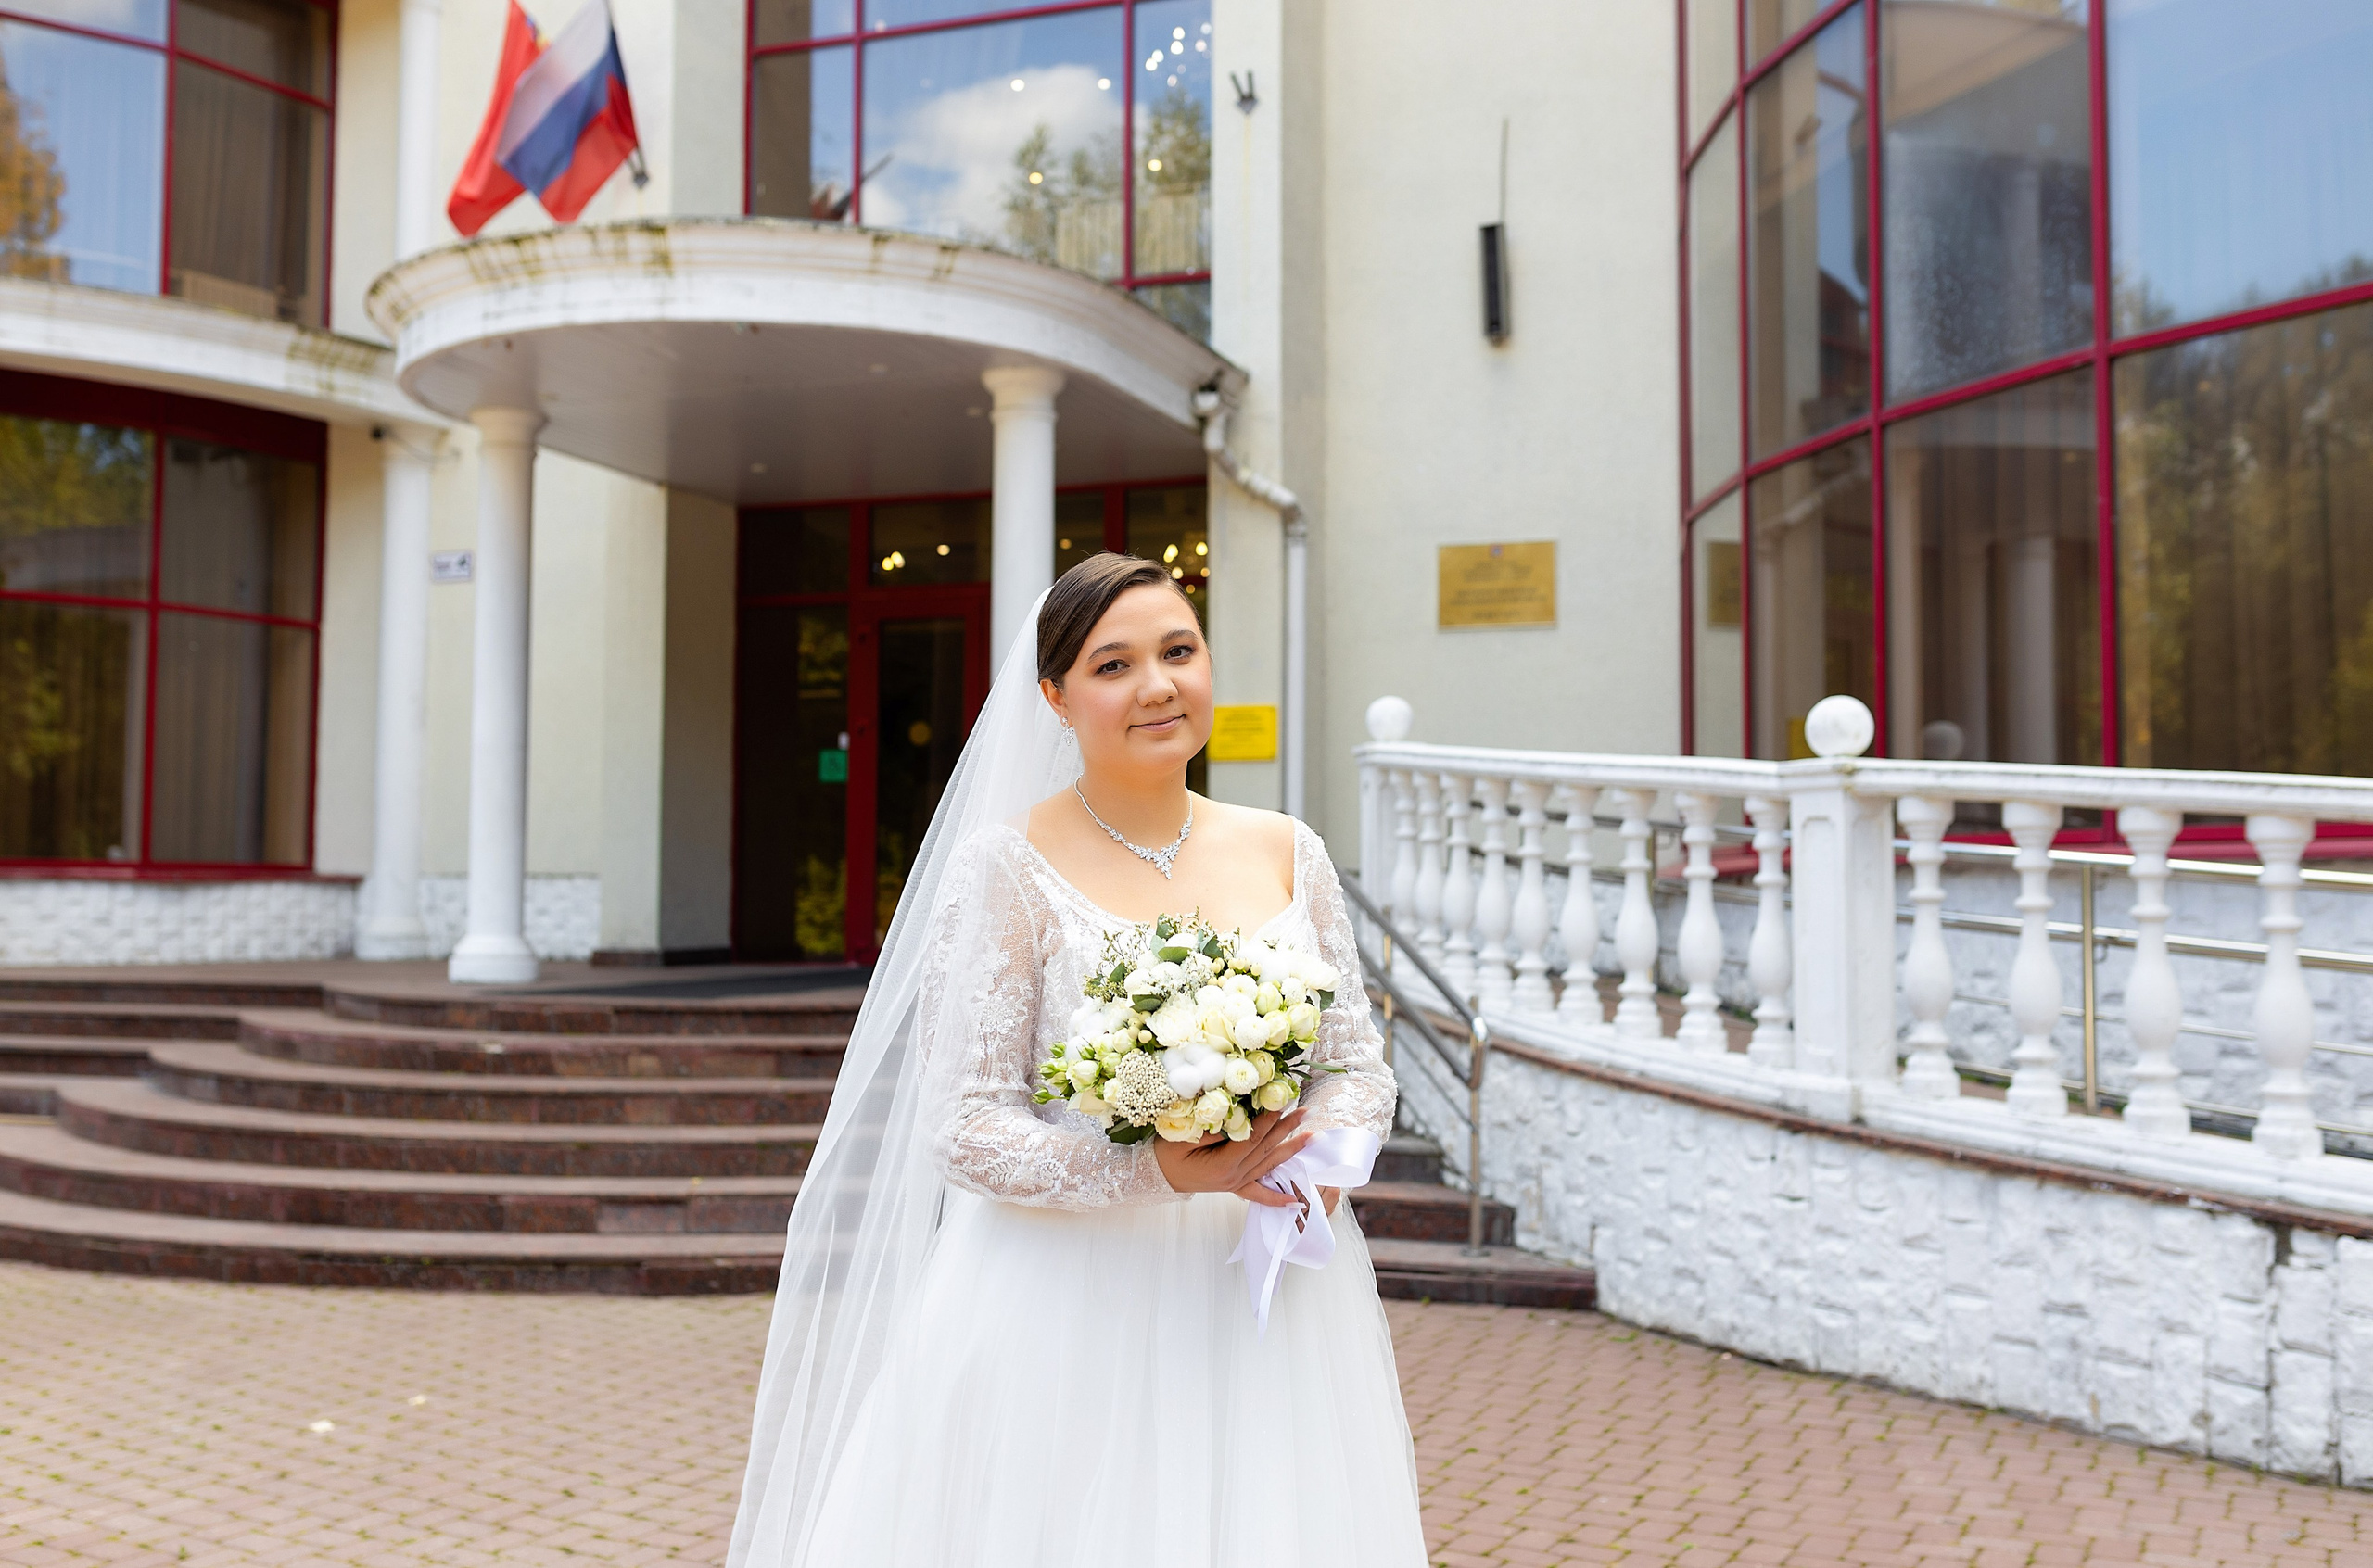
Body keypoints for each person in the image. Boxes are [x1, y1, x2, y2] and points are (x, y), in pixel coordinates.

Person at [728, 554, 1428, 1568]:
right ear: (1055, 698)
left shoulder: (1287, 848)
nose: (1157, 686)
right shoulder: (1003, 866)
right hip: (1063, 1297)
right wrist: (1154, 1169)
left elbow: (1355, 1062)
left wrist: (1318, 1163)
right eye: (1113, 665)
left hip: (1264, 1280)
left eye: (1178, 651)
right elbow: (964, 1125)